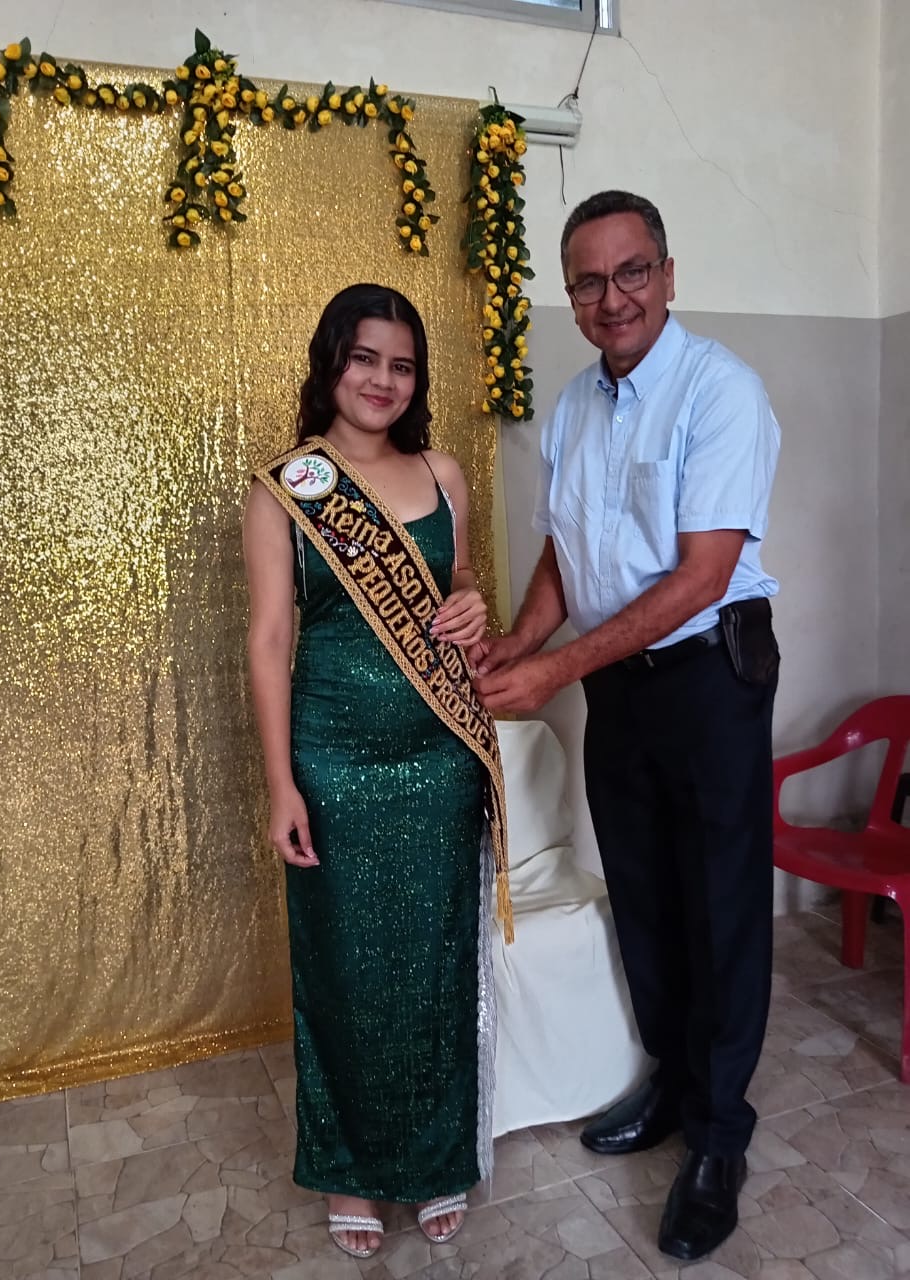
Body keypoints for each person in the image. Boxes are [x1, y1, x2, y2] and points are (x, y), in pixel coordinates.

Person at [473, 191, 780, 1263]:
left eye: (632, 271)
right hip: (622, 685)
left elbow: (700, 576)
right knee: (645, 892)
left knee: (720, 902)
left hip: (709, 676)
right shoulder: (572, 407)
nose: (614, 298)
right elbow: (566, 552)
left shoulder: (720, 391)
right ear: (572, 295)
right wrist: (518, 641)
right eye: (590, 281)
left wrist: (555, 667)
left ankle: (720, 1134)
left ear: (668, 273)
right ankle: (674, 1081)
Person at [243, 283, 511, 1261]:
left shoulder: (443, 472)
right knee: (344, 970)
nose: (383, 381)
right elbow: (270, 640)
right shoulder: (288, 488)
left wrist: (471, 598)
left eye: (402, 365)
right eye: (365, 358)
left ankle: (437, 1156)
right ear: (331, 362)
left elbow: (460, 581)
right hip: (334, 763)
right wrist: (282, 784)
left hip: (439, 759)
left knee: (437, 964)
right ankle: (350, 1168)